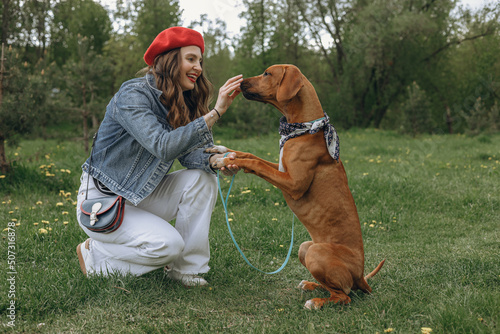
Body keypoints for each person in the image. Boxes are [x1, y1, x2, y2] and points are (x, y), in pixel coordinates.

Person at [75, 27, 243, 286]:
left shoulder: (182, 101)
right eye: (190, 59)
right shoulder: (133, 95)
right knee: (169, 245)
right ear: (169, 60)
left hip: (142, 193)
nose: (198, 67)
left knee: (203, 179)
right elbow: (162, 145)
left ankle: (185, 270)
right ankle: (95, 255)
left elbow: (189, 155)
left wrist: (216, 161)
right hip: (104, 202)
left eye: (200, 61)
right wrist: (216, 112)